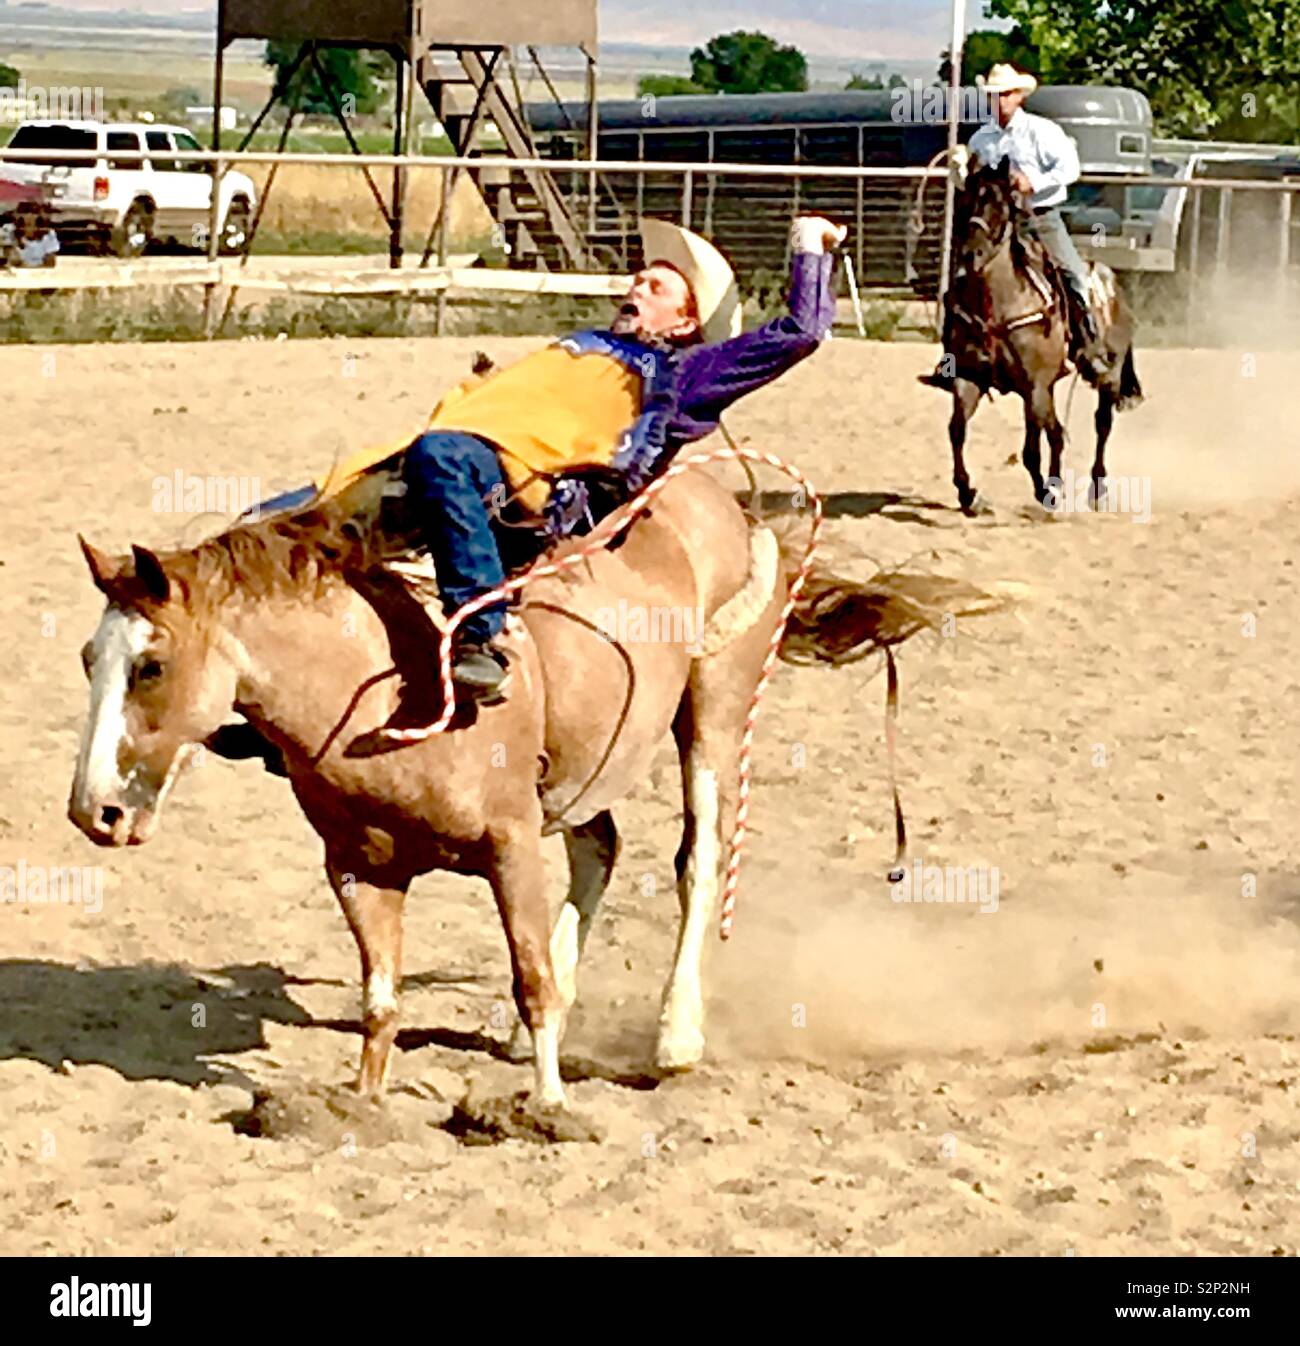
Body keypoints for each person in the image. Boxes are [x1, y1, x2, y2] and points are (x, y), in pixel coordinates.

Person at [315, 213, 846, 706]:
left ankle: (480, 636)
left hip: (538, 491)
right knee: (290, 517)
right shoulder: (578, 349)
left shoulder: (685, 373)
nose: (635, 286)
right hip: (463, 456)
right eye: (636, 278)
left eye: (655, 287)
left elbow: (800, 333)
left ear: (685, 324)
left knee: (443, 456)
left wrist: (808, 248)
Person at [920, 63, 1105, 390]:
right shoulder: (982, 138)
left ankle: (1089, 347)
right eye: (993, 95)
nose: (999, 101)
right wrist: (960, 170)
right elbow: (966, 184)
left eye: (1005, 94)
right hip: (995, 225)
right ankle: (950, 362)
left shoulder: (1041, 131)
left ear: (1019, 96)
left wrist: (1034, 182)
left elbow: (1070, 168)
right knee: (958, 286)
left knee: (1073, 273)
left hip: (1039, 219)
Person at [0, 199, 59, 269]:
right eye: (25, 212)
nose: (29, 216)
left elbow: (50, 263)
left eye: (33, 213)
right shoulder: (9, 230)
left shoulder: (49, 234)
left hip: (41, 274)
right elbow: (11, 260)